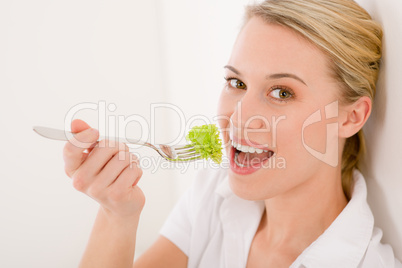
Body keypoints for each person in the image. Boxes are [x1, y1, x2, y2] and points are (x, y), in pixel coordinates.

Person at [63, 0, 401, 267]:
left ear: (351, 117)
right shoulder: (213, 192)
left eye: (282, 92)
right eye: (236, 83)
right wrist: (117, 215)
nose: (238, 118)